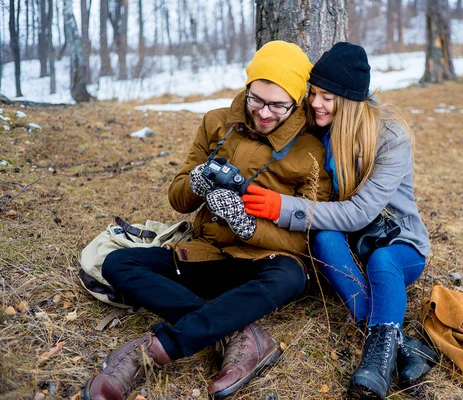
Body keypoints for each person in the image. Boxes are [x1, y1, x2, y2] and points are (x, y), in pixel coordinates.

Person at [82, 40, 331, 400]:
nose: (263, 113)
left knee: (291, 275)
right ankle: (240, 333)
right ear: (247, 89)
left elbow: (309, 231)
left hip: (261, 263)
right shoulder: (217, 123)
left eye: (278, 105)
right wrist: (198, 181)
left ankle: (152, 351)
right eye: (256, 99)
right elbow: (178, 197)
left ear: (297, 101)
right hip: (206, 253)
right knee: (120, 263)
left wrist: (248, 224)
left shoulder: (311, 151)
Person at [242, 42, 435, 399]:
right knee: (323, 237)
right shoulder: (316, 125)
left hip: (398, 243)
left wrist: (281, 207)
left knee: (383, 260)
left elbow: (360, 211)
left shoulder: (391, 137)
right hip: (350, 242)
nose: (315, 103)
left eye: (327, 97)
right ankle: (401, 344)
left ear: (349, 101)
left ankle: (376, 364)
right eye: (313, 93)